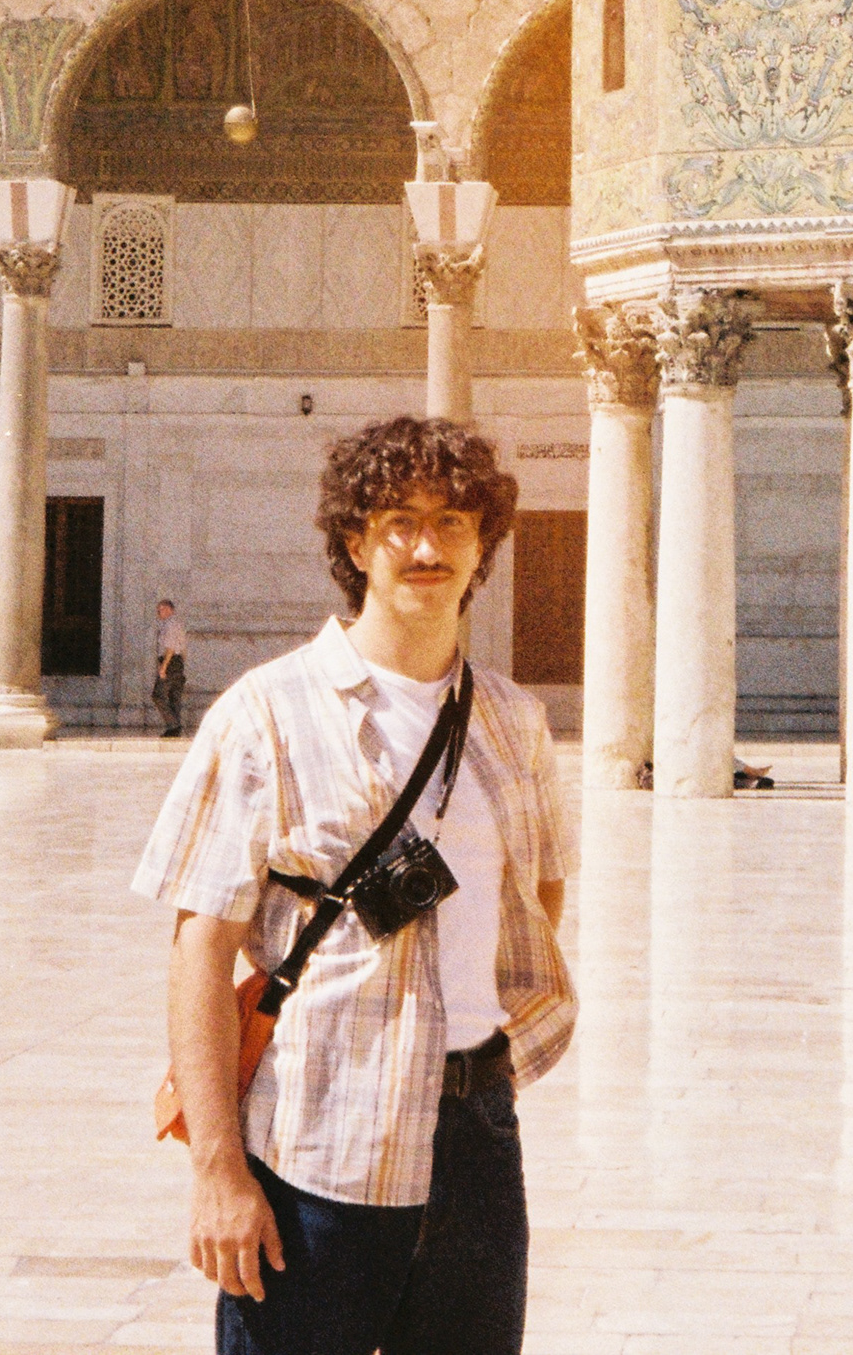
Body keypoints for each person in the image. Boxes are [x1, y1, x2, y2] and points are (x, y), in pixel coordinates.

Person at [137, 418, 572, 1355]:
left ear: (482, 544)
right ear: (353, 539)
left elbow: (536, 897)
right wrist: (219, 1170)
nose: (427, 546)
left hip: (475, 1140)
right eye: (400, 521)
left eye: (454, 521)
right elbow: (201, 952)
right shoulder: (266, 713)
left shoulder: (513, 722)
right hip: (316, 1143)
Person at [153, 597, 192, 738]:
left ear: (170, 610)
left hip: (171, 662)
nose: (159, 613)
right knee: (174, 696)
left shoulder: (170, 625)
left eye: (161, 610)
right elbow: (183, 648)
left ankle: (174, 725)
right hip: (177, 662)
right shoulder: (177, 624)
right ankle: (174, 729)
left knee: (158, 695)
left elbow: (170, 648)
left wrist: (164, 667)